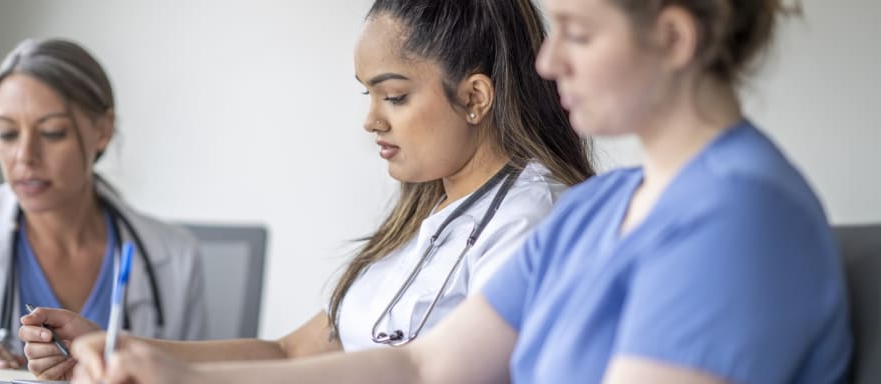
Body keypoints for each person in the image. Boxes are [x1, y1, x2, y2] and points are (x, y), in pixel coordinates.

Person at [69, 0, 853, 383]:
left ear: (674, 40)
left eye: (578, 33)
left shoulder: (740, 218)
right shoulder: (594, 213)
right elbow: (424, 365)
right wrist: (189, 377)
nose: (547, 66)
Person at [22, 0, 595, 380]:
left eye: (393, 96)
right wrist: (129, 350)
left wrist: (186, 379)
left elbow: (427, 370)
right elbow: (289, 353)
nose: (372, 120)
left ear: (473, 97)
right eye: (366, 96)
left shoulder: (534, 216)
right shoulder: (425, 218)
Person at [0, 38, 206, 369]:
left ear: (102, 130)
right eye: (8, 134)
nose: (25, 156)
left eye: (52, 133)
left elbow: (198, 375)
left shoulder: (174, 256)